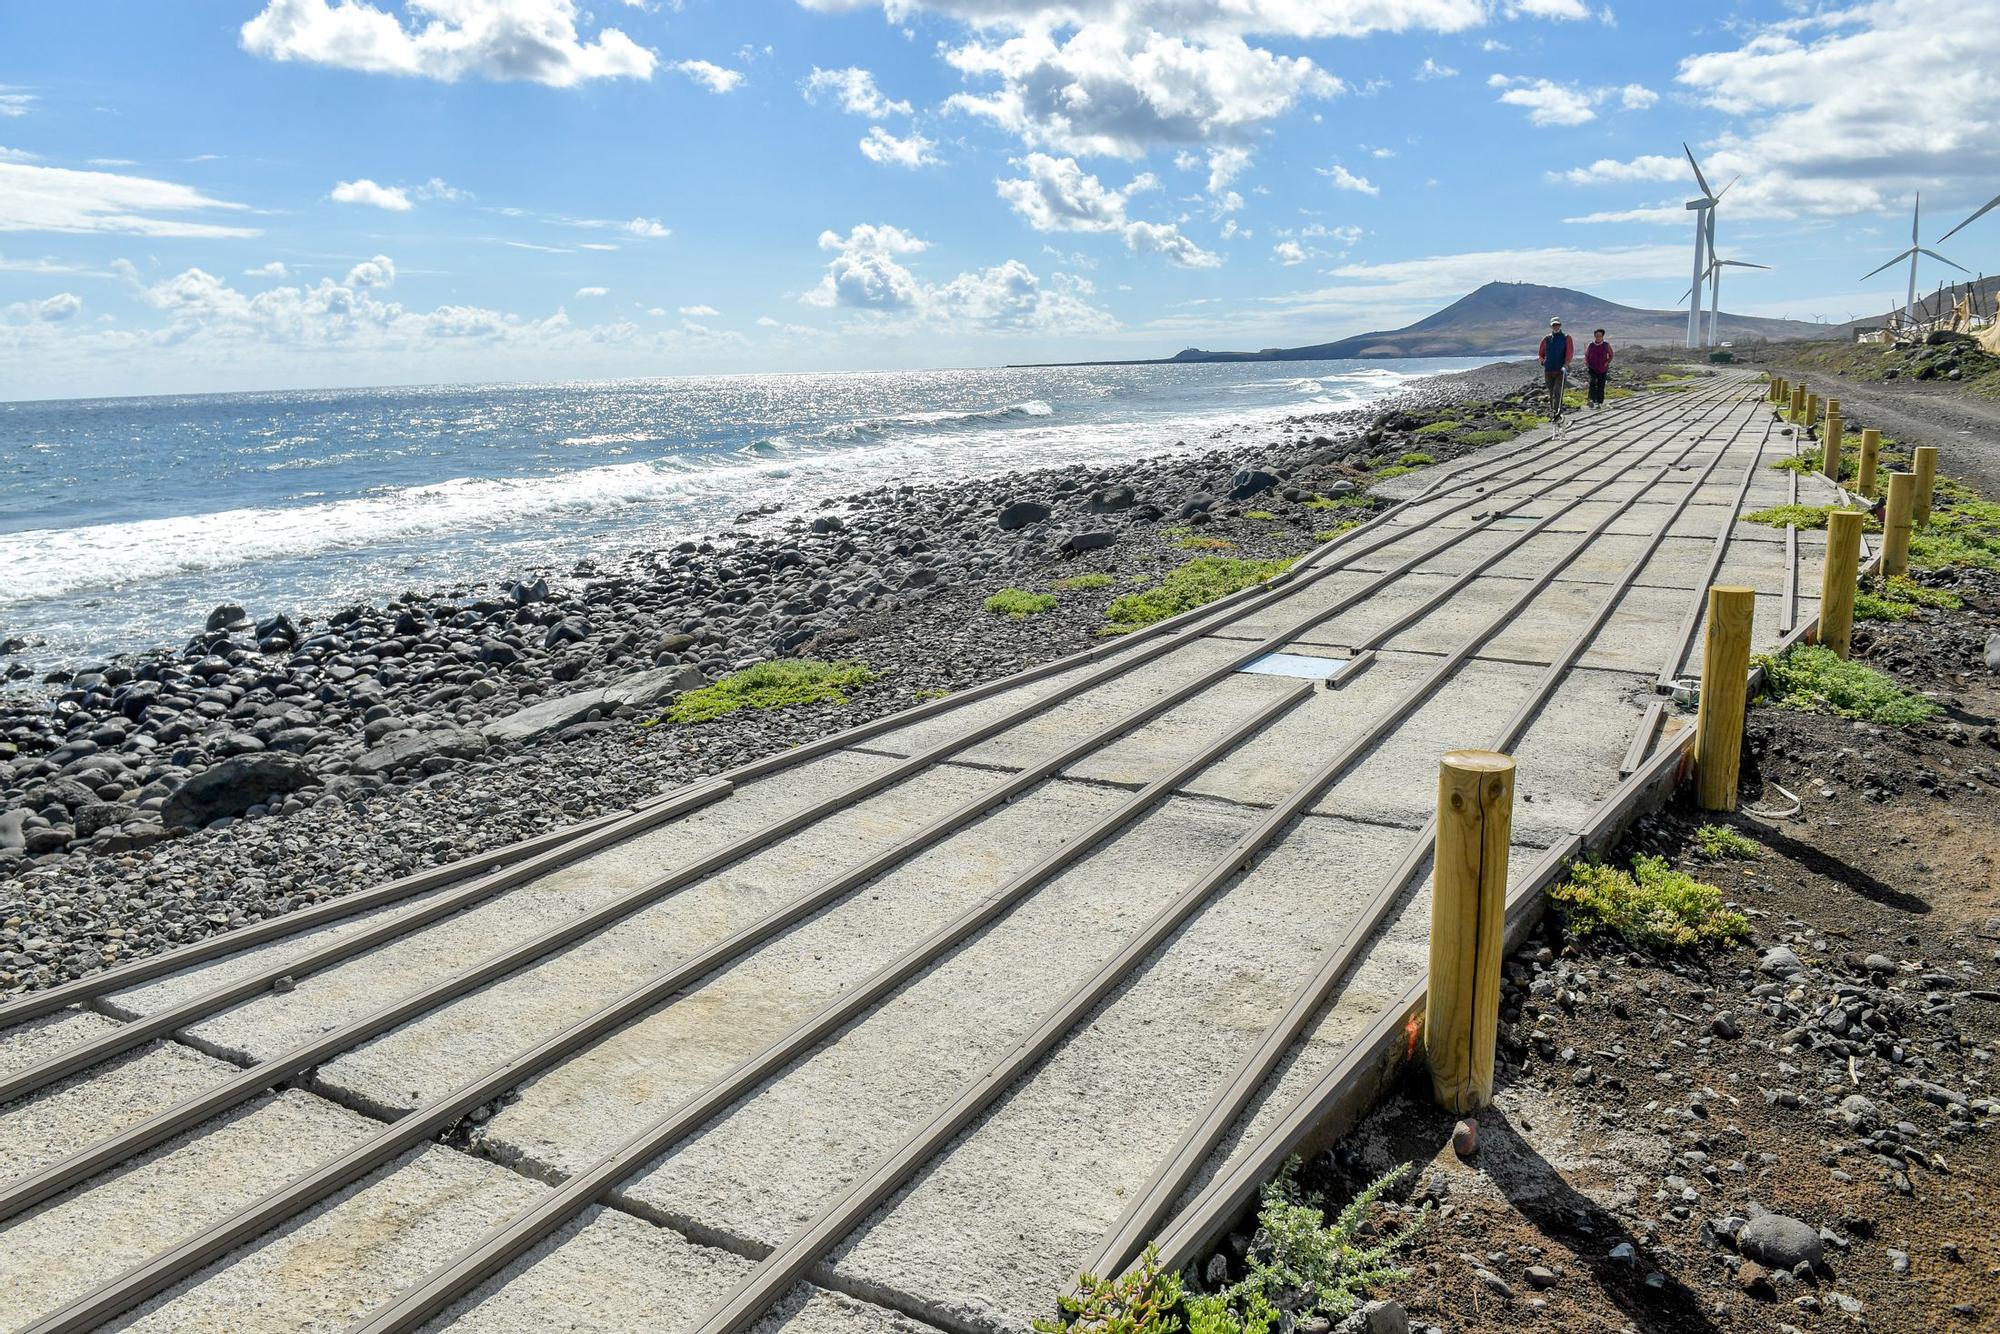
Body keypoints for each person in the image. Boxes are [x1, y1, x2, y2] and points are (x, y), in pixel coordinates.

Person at [1537, 317, 1573, 423]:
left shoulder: (1566, 338)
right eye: (1554, 325)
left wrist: (1566, 364)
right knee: (1551, 392)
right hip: (1548, 369)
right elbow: (1541, 353)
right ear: (1551, 326)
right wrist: (1542, 362)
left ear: (1560, 325)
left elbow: (1569, 352)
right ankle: (1553, 412)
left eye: (1557, 325)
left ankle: (1558, 413)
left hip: (1560, 370)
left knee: (1558, 392)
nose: (1555, 326)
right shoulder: (1546, 339)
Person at [1584, 328, 1613, 409]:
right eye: (1596, 336)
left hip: (1602, 368)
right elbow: (1587, 355)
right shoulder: (1591, 345)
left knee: (1601, 385)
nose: (1598, 337)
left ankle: (1599, 401)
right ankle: (1591, 400)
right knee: (1592, 382)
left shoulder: (1606, 345)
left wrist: (1607, 362)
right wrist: (1586, 362)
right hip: (1592, 367)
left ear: (1602, 336)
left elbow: (1611, 355)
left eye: (1599, 336)